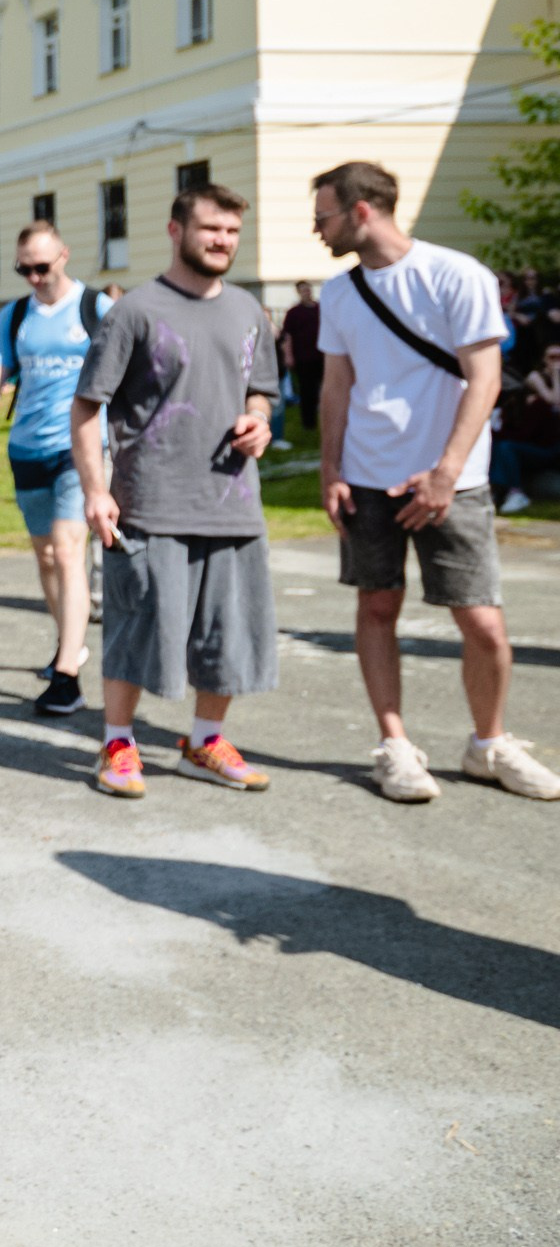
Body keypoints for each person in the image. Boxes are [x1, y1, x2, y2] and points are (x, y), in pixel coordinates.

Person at [311, 159, 559, 803]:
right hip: (366, 475)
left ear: (362, 210)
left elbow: (484, 380)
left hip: (456, 482)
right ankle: (394, 746)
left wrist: (447, 472)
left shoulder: (457, 275)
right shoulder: (338, 294)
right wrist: (330, 468)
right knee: (376, 605)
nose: (317, 229)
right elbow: (336, 388)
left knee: (482, 623)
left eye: (324, 215)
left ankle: (489, 744)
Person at [71, 183, 281, 798]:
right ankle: (117, 744)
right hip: (150, 501)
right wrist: (95, 489)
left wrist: (259, 420)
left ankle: (204, 742)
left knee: (230, 634)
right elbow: (87, 407)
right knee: (137, 630)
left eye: (232, 232)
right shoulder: (134, 310)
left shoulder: (248, 310)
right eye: (211, 228)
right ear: (176, 230)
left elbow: (259, 389)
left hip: (233, 502)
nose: (223, 241)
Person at [0, 221, 113, 716]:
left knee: (67, 551)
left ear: (63, 255)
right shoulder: (16, 315)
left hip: (77, 449)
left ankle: (67, 675)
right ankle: (69, 644)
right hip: (27, 449)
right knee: (45, 558)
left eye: (41, 266)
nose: (34, 277)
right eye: (24, 269)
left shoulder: (97, 308)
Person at [490, 340, 560, 512]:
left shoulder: (539, 404)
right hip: (537, 444)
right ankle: (499, 491)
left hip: (550, 446)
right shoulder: (535, 383)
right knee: (500, 446)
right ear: (544, 359)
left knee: (504, 446)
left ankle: (509, 492)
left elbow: (555, 401)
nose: (556, 361)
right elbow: (553, 401)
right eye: (552, 357)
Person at [279, 278, 323, 436]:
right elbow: (287, 336)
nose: (307, 292)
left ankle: (324, 419)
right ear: (298, 292)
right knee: (307, 391)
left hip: (322, 356)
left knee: (324, 390)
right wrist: (289, 355)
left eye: (308, 289)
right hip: (304, 358)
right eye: (303, 290)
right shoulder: (294, 313)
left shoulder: (320, 308)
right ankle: (308, 423)